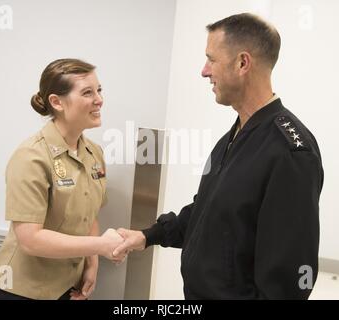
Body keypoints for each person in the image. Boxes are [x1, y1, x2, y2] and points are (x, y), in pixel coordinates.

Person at [113, 13, 324, 299]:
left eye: (211, 59)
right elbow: (208, 211)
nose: (204, 71)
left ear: (242, 63)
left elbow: (290, 272)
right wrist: (149, 235)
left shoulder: (290, 152)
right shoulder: (235, 135)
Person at [0, 58, 125, 300]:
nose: (99, 100)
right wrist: (100, 246)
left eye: (99, 90)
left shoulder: (93, 153)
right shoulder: (31, 157)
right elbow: (30, 240)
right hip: (21, 291)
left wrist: (91, 264)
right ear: (56, 102)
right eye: (87, 92)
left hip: (66, 288)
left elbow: (89, 215)